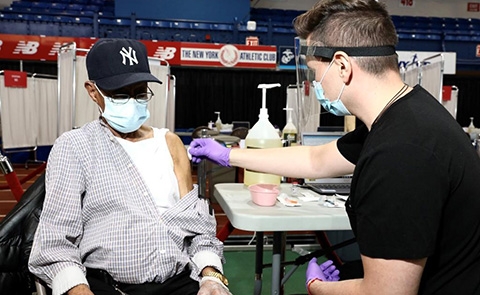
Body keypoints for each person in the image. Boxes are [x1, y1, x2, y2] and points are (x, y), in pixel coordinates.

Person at [189, 0, 480, 294]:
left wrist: (316, 287)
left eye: (316, 75)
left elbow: (385, 293)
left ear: (342, 65)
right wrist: (228, 154)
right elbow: (315, 160)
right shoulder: (406, 115)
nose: (317, 87)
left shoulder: (400, 152)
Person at [28, 38, 231, 295]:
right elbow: (55, 242)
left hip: (181, 281)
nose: (133, 102)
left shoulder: (170, 143)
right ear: (93, 91)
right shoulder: (75, 147)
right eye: (120, 94)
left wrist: (210, 276)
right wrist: (78, 289)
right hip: (111, 286)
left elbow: (199, 230)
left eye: (140, 92)